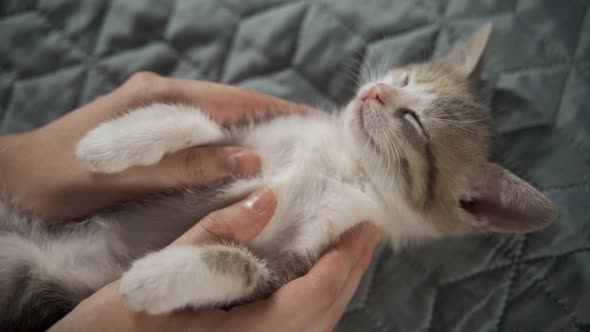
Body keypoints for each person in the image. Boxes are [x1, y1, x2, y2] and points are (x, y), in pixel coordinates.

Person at [0, 72, 382, 331]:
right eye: (404, 77)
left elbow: (264, 275)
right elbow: (216, 139)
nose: (380, 93)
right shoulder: (318, 136)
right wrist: (11, 164)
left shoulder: (353, 212)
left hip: (53, 283)